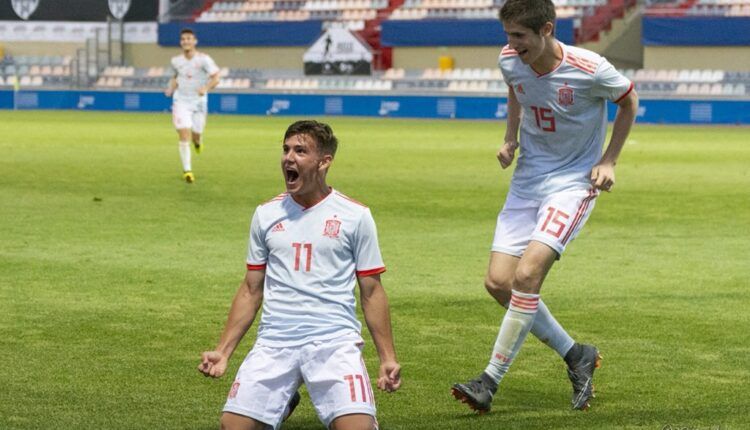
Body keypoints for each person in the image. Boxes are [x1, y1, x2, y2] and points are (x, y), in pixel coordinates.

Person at [451, 0, 638, 413]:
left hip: (572, 184)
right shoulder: (510, 60)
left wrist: (609, 161)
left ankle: (489, 381)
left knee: (528, 273)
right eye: (508, 36)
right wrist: (510, 137)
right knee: (499, 283)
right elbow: (516, 88)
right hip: (527, 182)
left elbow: (628, 101)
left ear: (547, 29)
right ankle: (577, 355)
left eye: (519, 36)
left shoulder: (590, 68)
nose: (511, 45)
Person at [198, 120, 402, 430]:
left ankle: (286, 400)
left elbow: (372, 292)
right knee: (232, 427)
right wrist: (223, 351)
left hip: (334, 341)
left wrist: (387, 358)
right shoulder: (266, 214)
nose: (288, 158)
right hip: (275, 342)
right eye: (286, 149)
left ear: (324, 161)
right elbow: (251, 289)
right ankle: (281, 399)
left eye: (300, 151)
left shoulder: (355, 216)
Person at [164, 28, 220, 183]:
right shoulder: (176, 61)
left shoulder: (204, 59)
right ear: (181, 42)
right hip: (181, 101)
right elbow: (176, 77)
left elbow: (216, 77)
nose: (186, 41)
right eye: (183, 39)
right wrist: (171, 88)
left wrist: (205, 88)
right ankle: (187, 170)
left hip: (199, 102)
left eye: (189, 38)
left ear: (194, 41)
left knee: (196, 135)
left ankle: (198, 141)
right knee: (183, 135)